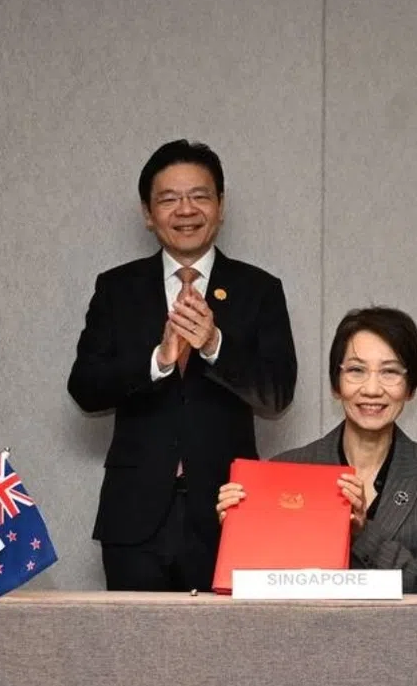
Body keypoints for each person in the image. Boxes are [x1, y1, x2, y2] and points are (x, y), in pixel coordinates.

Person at [68, 139, 298, 591]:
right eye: (169, 199)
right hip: (134, 515)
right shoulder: (117, 288)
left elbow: (278, 394)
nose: (186, 210)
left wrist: (214, 344)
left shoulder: (259, 290)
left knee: (224, 637)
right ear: (147, 213)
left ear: (221, 206)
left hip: (227, 511)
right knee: (132, 636)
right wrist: (158, 360)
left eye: (199, 196)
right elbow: (85, 388)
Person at [217, 307, 417, 593]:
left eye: (389, 372)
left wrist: (364, 534)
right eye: (356, 371)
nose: (372, 389)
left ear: (411, 388)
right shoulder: (285, 470)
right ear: (336, 385)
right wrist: (241, 531)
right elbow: (261, 586)